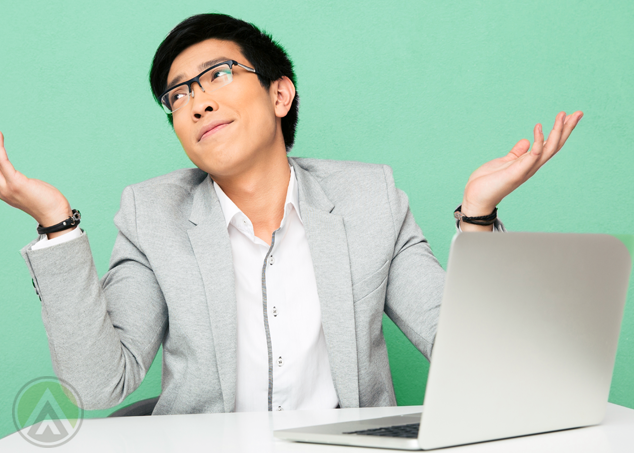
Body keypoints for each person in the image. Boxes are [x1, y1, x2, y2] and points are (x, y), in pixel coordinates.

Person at [0, 13, 582, 414]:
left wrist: (478, 214)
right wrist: (55, 224)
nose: (197, 101)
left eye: (219, 75)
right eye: (177, 96)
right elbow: (99, 385)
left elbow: (476, 357)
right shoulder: (152, 214)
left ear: (281, 95)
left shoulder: (369, 199)